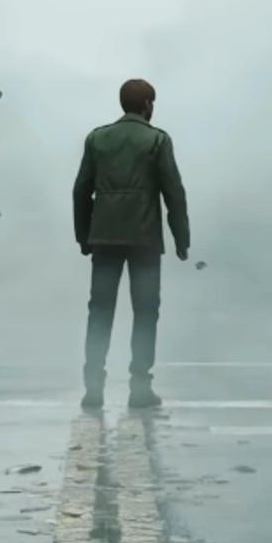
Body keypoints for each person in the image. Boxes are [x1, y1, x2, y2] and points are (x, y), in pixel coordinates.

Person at [72, 78, 190, 410]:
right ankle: (140, 388)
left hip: (105, 238)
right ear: (147, 104)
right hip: (145, 241)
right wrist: (182, 239)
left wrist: (84, 236)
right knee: (146, 312)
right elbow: (174, 194)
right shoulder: (157, 141)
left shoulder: (97, 139)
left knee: (100, 312)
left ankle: (93, 387)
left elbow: (81, 190)